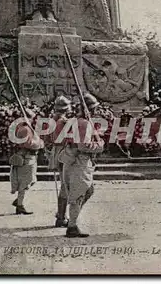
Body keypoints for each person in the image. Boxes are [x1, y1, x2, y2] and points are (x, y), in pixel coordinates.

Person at [59, 93, 104, 237]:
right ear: (89, 110)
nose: (97, 111)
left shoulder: (75, 121)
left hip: (72, 161)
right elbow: (83, 146)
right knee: (79, 194)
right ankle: (72, 226)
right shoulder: (84, 123)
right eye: (95, 108)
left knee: (88, 191)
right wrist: (99, 146)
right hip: (79, 162)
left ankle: (73, 219)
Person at [9, 108, 44, 215]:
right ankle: (20, 205)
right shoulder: (25, 129)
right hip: (26, 157)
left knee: (30, 180)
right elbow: (29, 144)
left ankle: (19, 200)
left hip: (28, 157)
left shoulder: (23, 128)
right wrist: (40, 143)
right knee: (26, 182)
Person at [47, 96, 72, 227]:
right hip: (64, 152)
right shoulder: (63, 122)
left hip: (57, 152)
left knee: (64, 184)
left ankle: (61, 215)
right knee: (65, 185)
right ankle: (61, 217)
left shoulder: (53, 120)